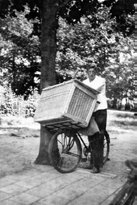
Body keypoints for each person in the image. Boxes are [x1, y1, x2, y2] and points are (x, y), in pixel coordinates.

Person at [83, 63, 110, 173]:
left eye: (93, 72)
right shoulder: (85, 82)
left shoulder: (101, 81)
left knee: (98, 137)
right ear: (87, 72)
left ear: (96, 72)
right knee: (90, 136)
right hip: (90, 111)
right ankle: (91, 163)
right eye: (89, 72)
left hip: (100, 110)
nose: (91, 74)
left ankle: (97, 166)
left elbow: (93, 90)